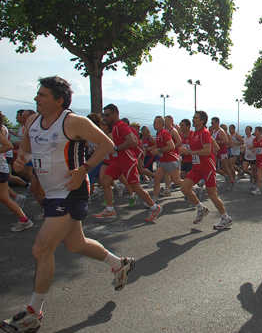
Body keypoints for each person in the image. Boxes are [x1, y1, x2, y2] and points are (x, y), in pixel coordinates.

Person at [1, 76, 134, 332]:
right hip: (51, 194)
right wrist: (21, 161)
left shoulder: (73, 122)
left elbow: (106, 144)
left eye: (42, 95)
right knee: (75, 245)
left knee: (42, 249)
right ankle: (120, 263)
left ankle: (33, 313)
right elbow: (26, 150)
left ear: (59, 100)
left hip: (71, 191)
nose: (36, 98)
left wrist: (84, 168)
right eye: (37, 94)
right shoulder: (32, 121)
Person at [96, 105, 161, 220]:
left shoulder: (121, 125)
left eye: (107, 115)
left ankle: (154, 207)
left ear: (115, 113)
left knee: (135, 187)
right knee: (105, 181)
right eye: (104, 115)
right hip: (117, 161)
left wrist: (116, 148)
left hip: (127, 161)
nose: (105, 118)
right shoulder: (114, 127)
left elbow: (131, 140)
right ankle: (110, 209)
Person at [179, 111, 233, 229]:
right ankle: (201, 208)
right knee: (184, 187)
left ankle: (226, 218)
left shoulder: (204, 133)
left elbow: (208, 150)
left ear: (202, 121)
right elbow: (216, 148)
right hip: (197, 167)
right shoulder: (194, 134)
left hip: (207, 168)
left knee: (212, 195)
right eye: (193, 118)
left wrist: (191, 153)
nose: (193, 120)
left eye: (195, 118)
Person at [151, 116, 184, 203]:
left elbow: (172, 146)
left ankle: (194, 188)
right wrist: (153, 149)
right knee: (156, 179)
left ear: (161, 124)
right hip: (163, 160)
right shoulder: (158, 134)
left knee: (176, 181)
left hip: (171, 160)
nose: (153, 124)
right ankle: (154, 200)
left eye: (155, 122)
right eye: (154, 122)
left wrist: (159, 150)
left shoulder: (164, 133)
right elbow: (160, 146)